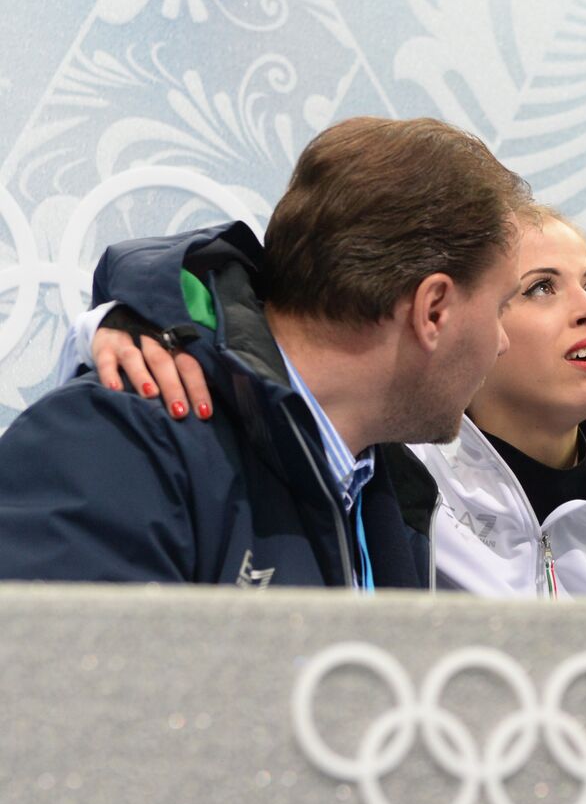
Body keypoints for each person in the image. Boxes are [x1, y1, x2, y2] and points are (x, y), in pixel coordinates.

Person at [74, 205, 586, 601]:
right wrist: (129, 313)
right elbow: (275, 308)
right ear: (467, 321)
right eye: (541, 288)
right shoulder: (395, 473)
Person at [0, 116, 530, 588]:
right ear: (433, 309)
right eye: (501, 306)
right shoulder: (118, 443)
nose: (502, 343)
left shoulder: (393, 500)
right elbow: (45, 686)